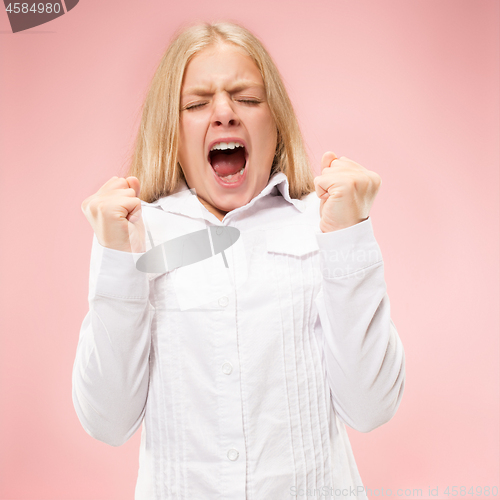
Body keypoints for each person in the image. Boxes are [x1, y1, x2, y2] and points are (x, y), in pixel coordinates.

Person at [72, 21, 405, 500]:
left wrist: (350, 235)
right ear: (172, 127)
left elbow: (371, 406)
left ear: (276, 121)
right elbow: (107, 421)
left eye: (247, 99)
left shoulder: (323, 222)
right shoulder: (136, 234)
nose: (225, 113)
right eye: (196, 103)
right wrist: (115, 260)